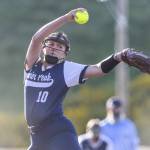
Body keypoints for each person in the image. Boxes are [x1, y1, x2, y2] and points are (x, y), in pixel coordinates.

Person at [24, 7, 131, 150]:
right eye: (51, 44)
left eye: (60, 46)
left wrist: (118, 57)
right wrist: (66, 18)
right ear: (43, 48)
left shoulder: (66, 69)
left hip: (59, 132)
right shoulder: (31, 65)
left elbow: (98, 69)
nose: (54, 48)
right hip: (37, 136)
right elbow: (37, 38)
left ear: (64, 54)